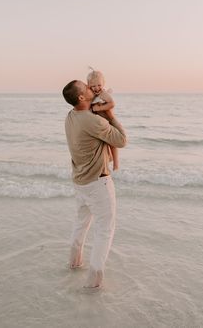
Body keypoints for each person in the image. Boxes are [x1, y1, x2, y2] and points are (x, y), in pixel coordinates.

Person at [62, 80, 126, 289]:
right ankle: (94, 281)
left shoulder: (71, 116)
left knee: (81, 223)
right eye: (87, 87)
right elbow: (121, 140)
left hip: (80, 181)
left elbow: (87, 105)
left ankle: (74, 262)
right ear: (81, 97)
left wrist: (97, 101)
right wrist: (111, 114)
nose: (92, 88)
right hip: (98, 184)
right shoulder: (92, 121)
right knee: (104, 230)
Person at [87, 68, 119, 170]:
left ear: (103, 83)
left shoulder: (103, 94)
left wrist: (99, 108)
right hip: (100, 122)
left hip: (107, 120)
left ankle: (116, 163)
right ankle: (108, 156)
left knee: (112, 142)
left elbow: (112, 103)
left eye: (99, 85)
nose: (97, 88)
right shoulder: (93, 95)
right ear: (88, 85)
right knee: (103, 141)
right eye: (93, 86)